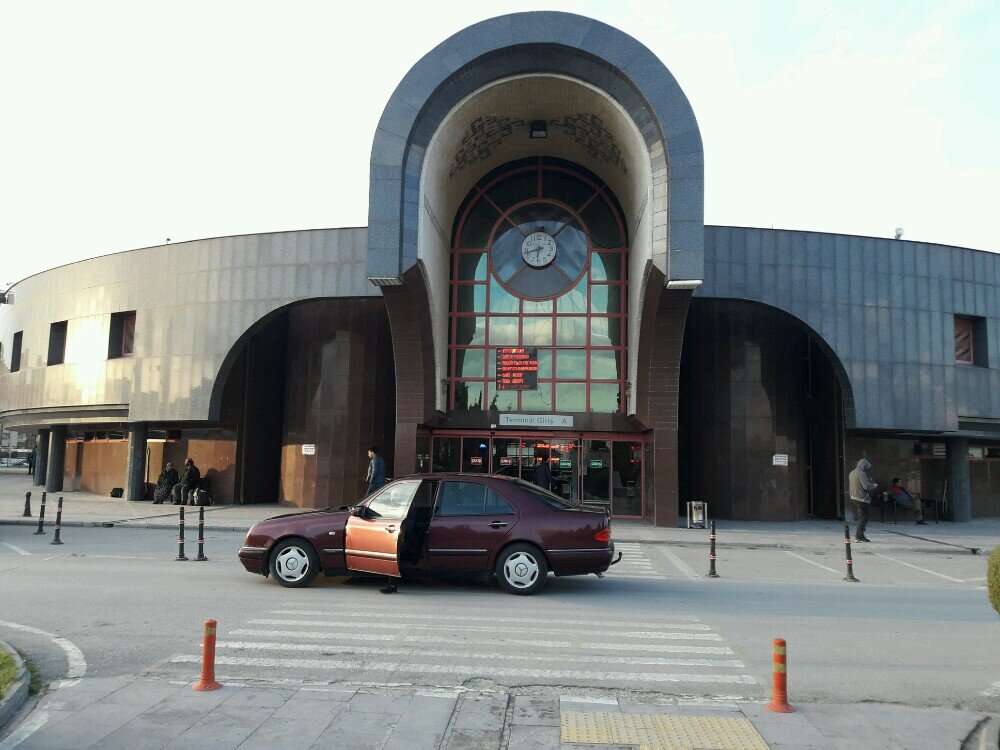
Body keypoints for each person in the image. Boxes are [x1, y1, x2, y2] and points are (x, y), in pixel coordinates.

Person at [847, 458, 877, 542]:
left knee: (862, 517)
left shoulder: (852, 472)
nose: (867, 470)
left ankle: (860, 535)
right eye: (867, 468)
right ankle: (859, 536)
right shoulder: (862, 473)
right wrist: (874, 485)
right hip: (861, 498)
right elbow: (866, 486)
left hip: (854, 497)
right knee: (864, 518)